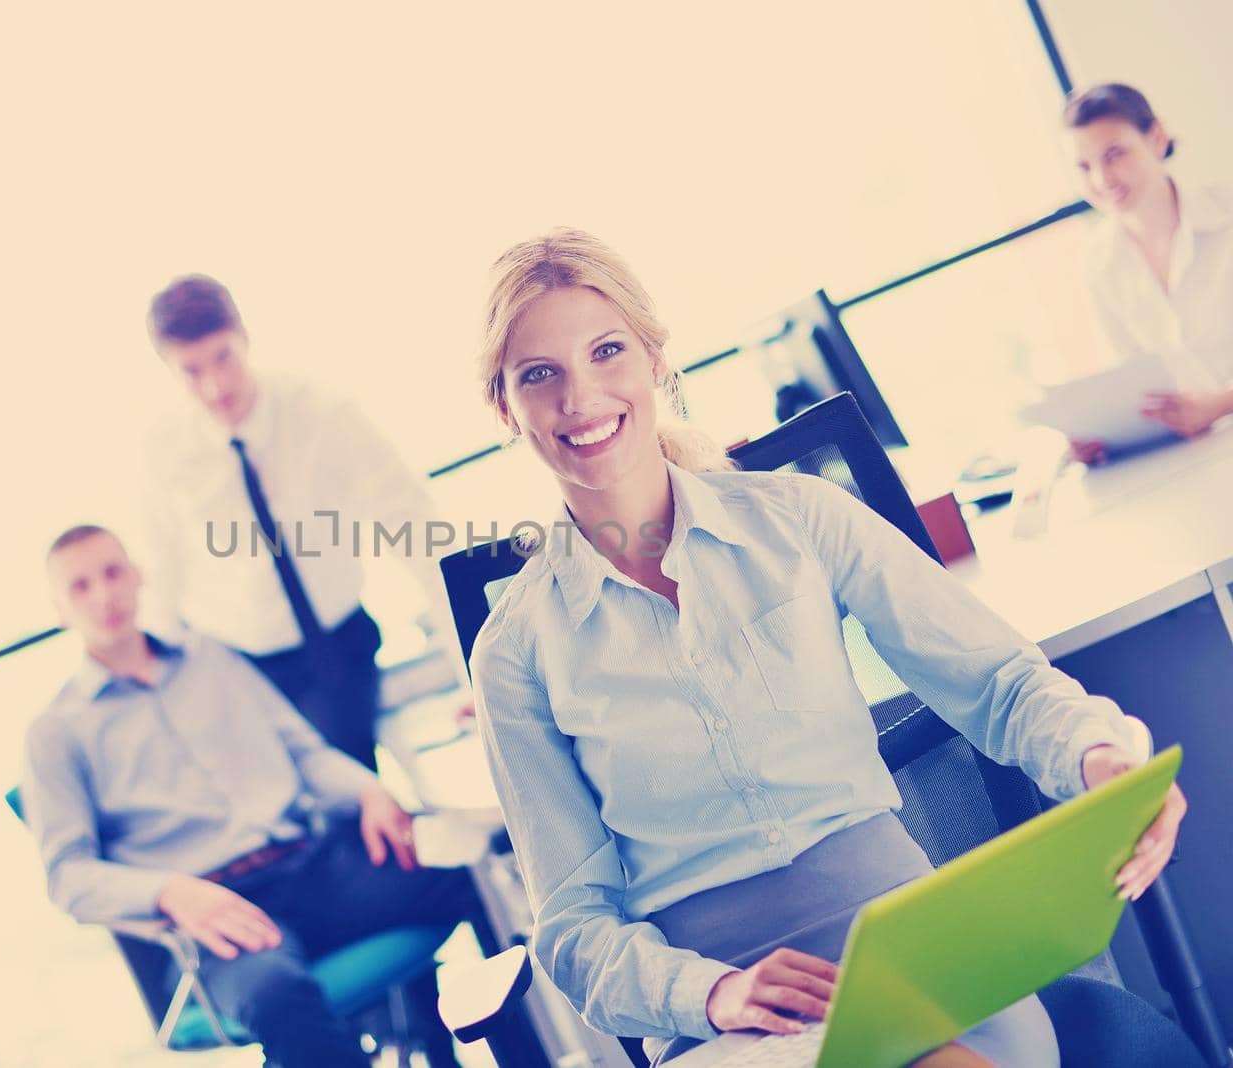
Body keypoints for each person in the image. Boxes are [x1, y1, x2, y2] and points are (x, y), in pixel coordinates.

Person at [465, 229, 1187, 1066]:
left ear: (658, 361)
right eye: (539, 374)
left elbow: (1000, 683)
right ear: (503, 407)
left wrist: (1103, 763)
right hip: (724, 1015)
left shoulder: (799, 519)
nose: (581, 397)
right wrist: (710, 994)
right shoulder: (515, 650)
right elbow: (575, 928)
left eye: (606, 351)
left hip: (916, 953)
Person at [22, 523, 477, 1067]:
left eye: (113, 572)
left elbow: (305, 754)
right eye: (80, 586)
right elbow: (67, 876)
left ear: (138, 574)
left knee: (477, 875)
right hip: (218, 913)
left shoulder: (211, 660)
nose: (104, 595)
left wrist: (367, 788)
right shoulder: (55, 732)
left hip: (313, 870)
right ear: (58, 608)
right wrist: (172, 892)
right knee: (276, 997)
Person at [142, 275, 472, 770]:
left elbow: (420, 537)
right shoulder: (164, 450)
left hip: (336, 652)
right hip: (234, 666)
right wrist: (159, 703)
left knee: (350, 793)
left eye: (224, 357)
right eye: (191, 371)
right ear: (167, 369)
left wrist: (474, 671)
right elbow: (161, 576)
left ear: (245, 336)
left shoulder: (323, 412)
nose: (215, 386)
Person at [1064, 83, 1233, 462]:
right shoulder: (1098, 262)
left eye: (1114, 154)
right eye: (1084, 166)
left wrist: (1220, 403)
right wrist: (1102, 432)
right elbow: (1136, 384)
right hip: (1194, 461)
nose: (1102, 179)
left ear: (1156, 138)